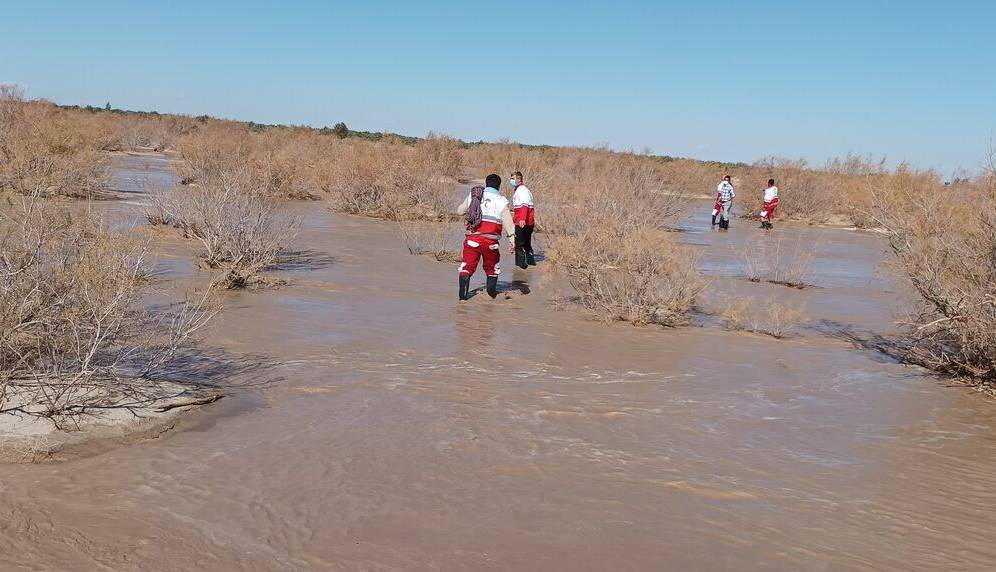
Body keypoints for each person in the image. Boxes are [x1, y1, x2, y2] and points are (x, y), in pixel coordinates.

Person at [456, 174, 515, 300]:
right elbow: (509, 223)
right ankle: (491, 294)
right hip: (491, 242)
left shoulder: (474, 195)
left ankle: (462, 298)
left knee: (466, 267)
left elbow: (460, 211)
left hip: (472, 240)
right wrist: (512, 240)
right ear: (499, 186)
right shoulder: (501, 201)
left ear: (486, 184)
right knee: (492, 268)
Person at [509, 171, 536, 267]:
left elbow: (524, 205)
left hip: (523, 222)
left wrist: (521, 219)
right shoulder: (522, 190)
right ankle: (531, 262)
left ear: (519, 179)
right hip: (527, 222)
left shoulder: (522, 190)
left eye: (513, 178)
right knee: (526, 244)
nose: (511, 180)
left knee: (519, 244)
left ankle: (521, 266)